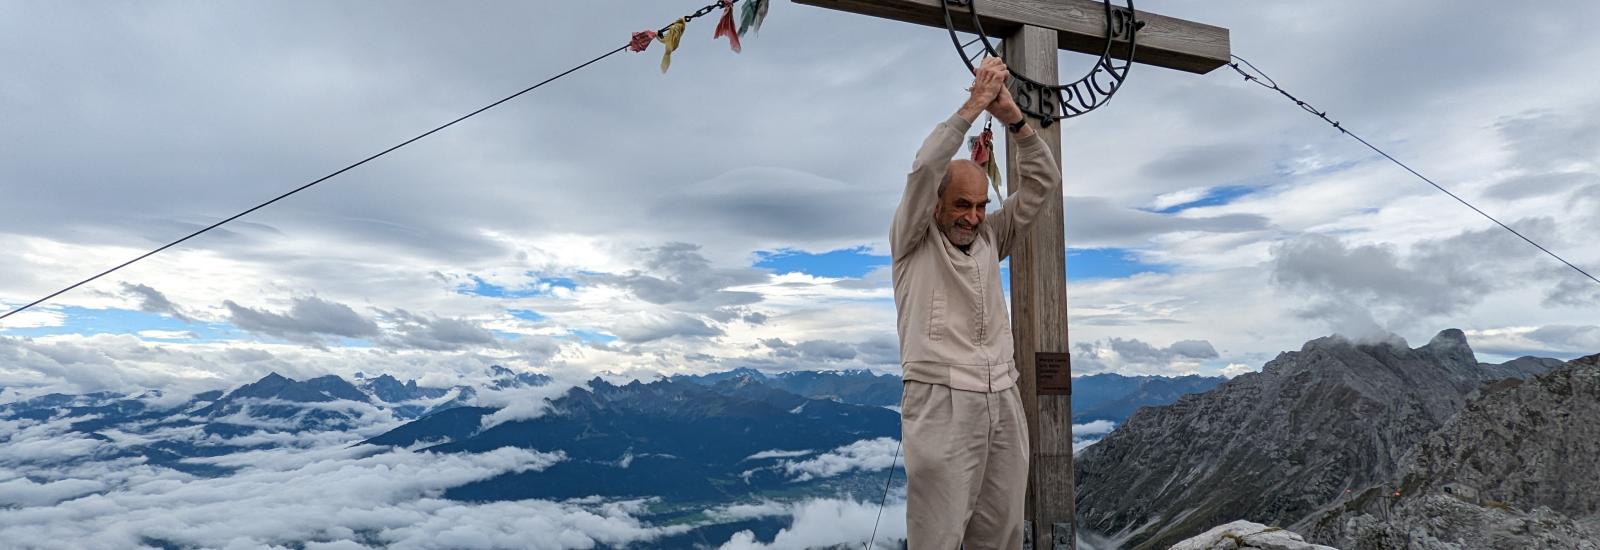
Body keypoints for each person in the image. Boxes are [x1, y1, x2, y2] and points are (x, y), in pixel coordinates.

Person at [890, 56, 1060, 549]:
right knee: (939, 537)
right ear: (936, 205)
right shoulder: (913, 241)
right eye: (961, 205)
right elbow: (925, 168)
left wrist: (1014, 118)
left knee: (1002, 532)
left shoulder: (989, 236)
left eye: (982, 205)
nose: (973, 216)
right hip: (941, 399)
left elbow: (1041, 184)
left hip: (1003, 396)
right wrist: (974, 105)